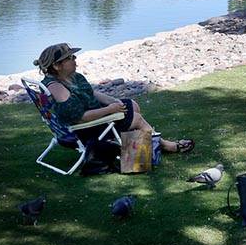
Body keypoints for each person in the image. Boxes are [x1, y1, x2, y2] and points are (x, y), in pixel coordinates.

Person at [35, 43, 195, 162]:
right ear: (56, 66)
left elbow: (92, 93)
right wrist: (110, 110)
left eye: (73, 56)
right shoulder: (57, 88)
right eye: (70, 58)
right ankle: (162, 147)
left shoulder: (71, 77)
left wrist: (114, 101)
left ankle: (137, 151)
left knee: (131, 104)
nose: (75, 59)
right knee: (136, 119)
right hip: (84, 131)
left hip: (94, 120)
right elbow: (80, 117)